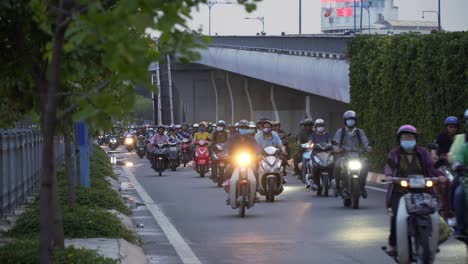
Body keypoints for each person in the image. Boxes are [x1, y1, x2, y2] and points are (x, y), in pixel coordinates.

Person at [383, 125, 444, 255]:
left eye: (410, 137)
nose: (408, 139)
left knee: (435, 215)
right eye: (405, 137)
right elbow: (389, 166)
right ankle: (393, 244)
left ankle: (432, 242)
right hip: (400, 191)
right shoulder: (394, 153)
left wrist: (440, 176)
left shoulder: (423, 153)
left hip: (423, 190)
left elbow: (431, 167)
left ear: (415, 138)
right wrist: (389, 176)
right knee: (395, 218)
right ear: (399, 139)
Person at [333, 110, 371, 198]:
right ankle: (338, 187)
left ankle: (362, 186)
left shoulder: (359, 132)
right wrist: (336, 148)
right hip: (344, 155)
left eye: (352, 119)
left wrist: (368, 147)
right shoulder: (341, 131)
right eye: (349, 119)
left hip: (357, 156)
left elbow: (365, 141)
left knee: (365, 166)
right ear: (345, 121)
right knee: (337, 165)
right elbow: (335, 142)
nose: (351, 121)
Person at [224, 120, 262, 203]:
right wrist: (226, 153)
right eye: (241, 127)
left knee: (256, 172)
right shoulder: (232, 138)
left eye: (245, 127)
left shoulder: (251, 139)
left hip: (249, 161)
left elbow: (257, 147)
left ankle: (255, 192)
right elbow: (226, 146)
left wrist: (259, 154)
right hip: (234, 160)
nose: (243, 129)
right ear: (238, 128)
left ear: (248, 129)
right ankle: (230, 193)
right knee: (227, 171)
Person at [307, 119, 334, 190]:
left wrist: (332, 145)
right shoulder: (313, 135)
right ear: (315, 127)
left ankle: (333, 181)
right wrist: (310, 145)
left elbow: (330, 142)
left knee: (332, 165)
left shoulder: (327, 134)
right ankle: (313, 181)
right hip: (316, 154)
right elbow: (310, 142)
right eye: (319, 126)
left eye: (322, 125)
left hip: (326, 154)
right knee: (313, 166)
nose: (320, 127)